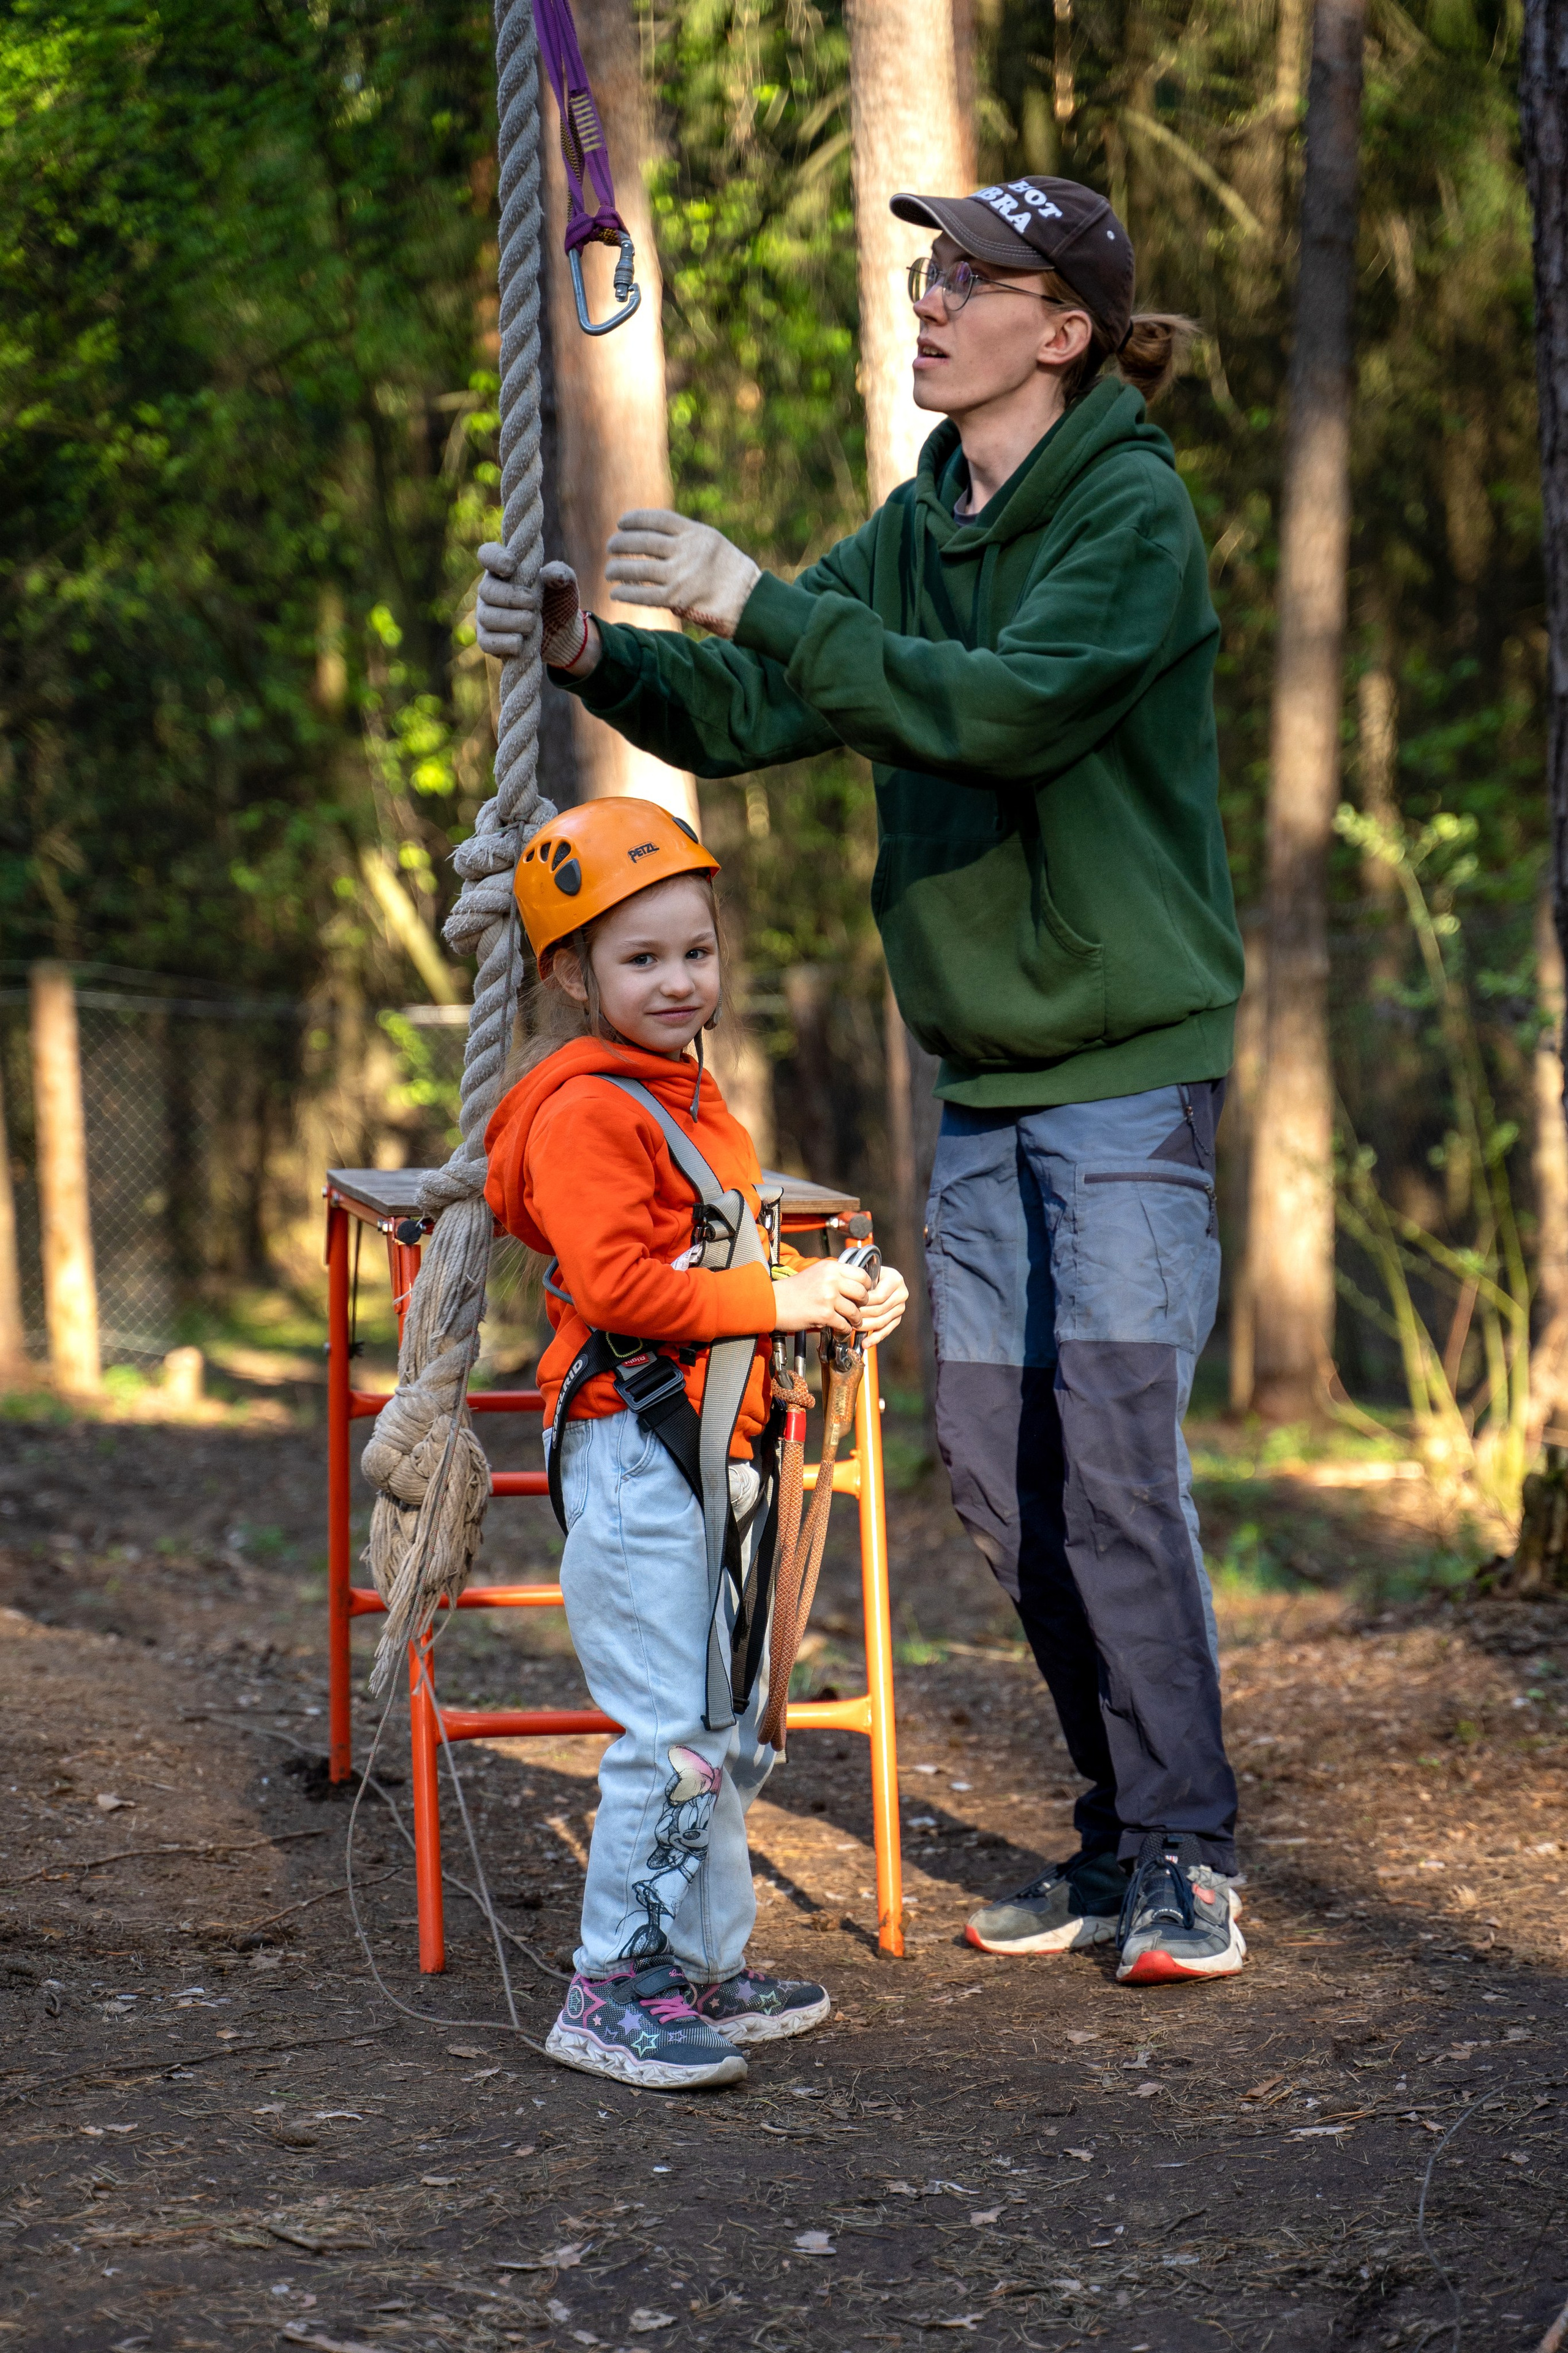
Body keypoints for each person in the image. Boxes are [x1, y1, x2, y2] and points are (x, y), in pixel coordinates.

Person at [478, 175, 1248, 1987]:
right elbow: (763, 705)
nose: (928, 301)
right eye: (925, 271)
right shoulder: (925, 523)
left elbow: (999, 713)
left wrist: (764, 599)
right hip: (983, 1081)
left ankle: (1189, 1852)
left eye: (967, 279)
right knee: (999, 1472)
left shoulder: (1129, 515)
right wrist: (601, 651)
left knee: (1119, 1464)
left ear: (1057, 330)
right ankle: (1113, 1833)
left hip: (1127, 1074)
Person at [483, 797, 908, 2087]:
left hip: (711, 1451)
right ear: (571, 975)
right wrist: (779, 1298)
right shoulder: (584, 1111)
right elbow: (618, 1284)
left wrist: (840, 1297)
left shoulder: (687, 1093)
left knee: (718, 1727)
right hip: (631, 1453)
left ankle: (702, 1968)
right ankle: (609, 1987)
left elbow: (718, 1245)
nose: (678, 980)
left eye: (695, 952)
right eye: (641, 958)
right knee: (666, 1730)